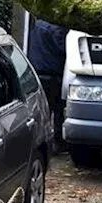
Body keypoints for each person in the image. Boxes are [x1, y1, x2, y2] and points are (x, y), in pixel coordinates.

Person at [26, 19, 69, 149]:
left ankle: (40, 142)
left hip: (37, 72)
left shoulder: (37, 26)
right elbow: (63, 49)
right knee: (58, 110)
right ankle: (58, 142)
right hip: (54, 74)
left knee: (43, 110)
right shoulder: (58, 29)